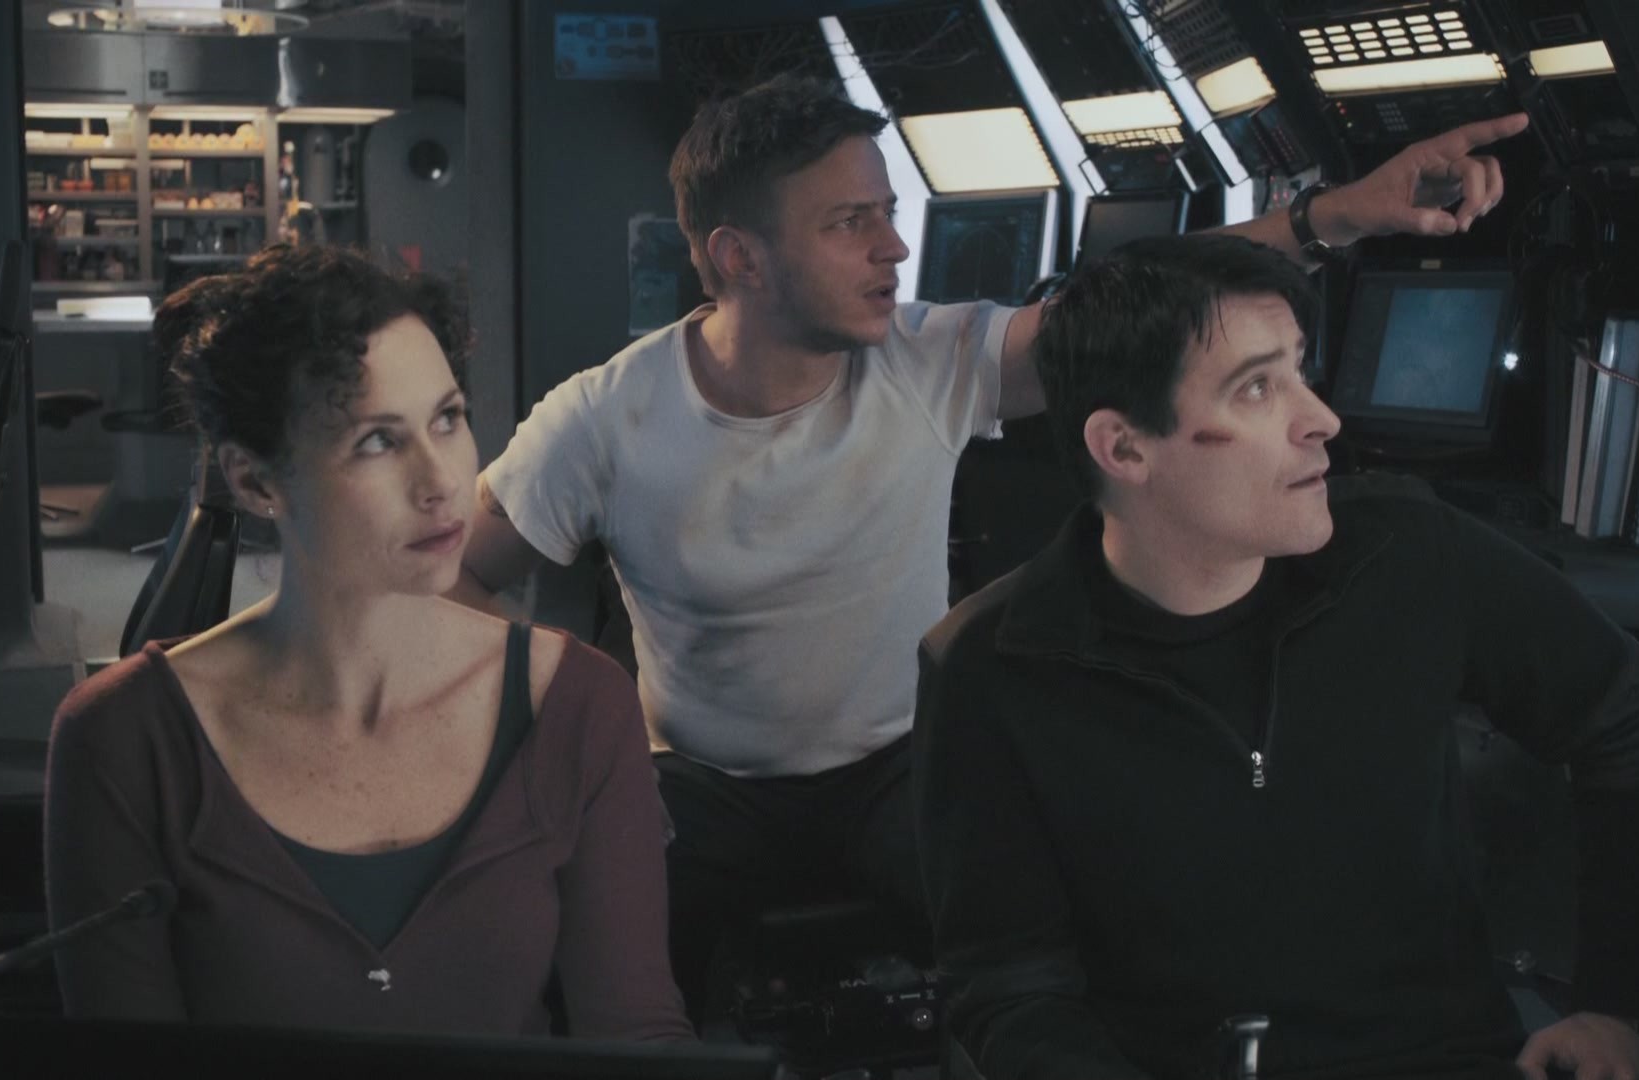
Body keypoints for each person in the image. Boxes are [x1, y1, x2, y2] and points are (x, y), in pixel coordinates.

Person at [449, 74, 1531, 1012]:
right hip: (700, 787)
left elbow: (1135, 302)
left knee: (1078, 957)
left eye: (887, 212)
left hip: (904, 768)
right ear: (741, 258)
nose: (892, 245)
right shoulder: (601, 420)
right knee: (569, 972)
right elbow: (455, 586)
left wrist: (1337, 216)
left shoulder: (925, 362)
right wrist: (550, 735)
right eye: (849, 223)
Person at [912, 233, 1639, 1080]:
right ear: (1125, 448)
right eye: (1257, 387)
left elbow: (1631, 718)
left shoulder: (1408, 555)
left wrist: (1623, 1009)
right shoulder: (993, 666)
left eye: (1299, 370)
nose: (1323, 419)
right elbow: (1011, 986)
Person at [45, 244, 690, 1040]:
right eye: (378, 441)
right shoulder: (122, 736)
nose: (442, 482)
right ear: (254, 481)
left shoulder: (578, 705)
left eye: (447, 419)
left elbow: (636, 1037)